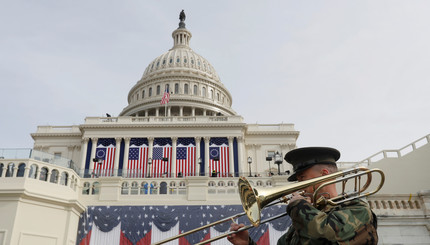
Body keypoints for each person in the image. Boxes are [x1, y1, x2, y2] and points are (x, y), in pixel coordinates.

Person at [227, 147, 378, 245]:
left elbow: (328, 235)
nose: (296, 186)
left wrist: (299, 207)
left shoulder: (357, 209)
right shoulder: (302, 220)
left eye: (302, 178)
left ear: (324, 174)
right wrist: (247, 243)